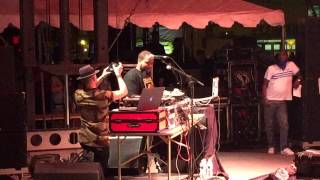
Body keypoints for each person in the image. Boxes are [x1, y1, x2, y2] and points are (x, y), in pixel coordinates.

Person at [74, 63, 128, 175]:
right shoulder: (103, 95)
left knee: (90, 172)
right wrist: (118, 75)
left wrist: (103, 75)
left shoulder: (78, 95)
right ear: (93, 77)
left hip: (85, 140)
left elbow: (91, 87)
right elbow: (124, 92)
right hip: (100, 142)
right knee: (101, 172)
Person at [262, 50, 302, 156]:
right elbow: (264, 84)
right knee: (269, 125)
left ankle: (283, 147)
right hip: (270, 99)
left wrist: (297, 81)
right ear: (277, 57)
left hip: (282, 101)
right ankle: (271, 146)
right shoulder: (271, 68)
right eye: (280, 55)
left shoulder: (291, 65)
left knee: (284, 125)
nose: (283, 57)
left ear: (287, 57)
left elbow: (300, 75)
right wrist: (265, 98)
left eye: (284, 55)